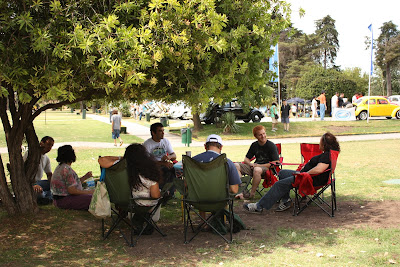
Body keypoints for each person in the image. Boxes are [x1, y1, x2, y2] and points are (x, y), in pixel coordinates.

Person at [243, 132, 340, 213]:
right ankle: (286, 200)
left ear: (325, 144)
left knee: (278, 184)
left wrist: (304, 174)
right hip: (307, 176)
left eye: (320, 142)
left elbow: (319, 169)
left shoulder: (327, 156)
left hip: (308, 179)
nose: (319, 144)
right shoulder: (328, 154)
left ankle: (259, 206)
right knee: (282, 173)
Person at [99, 144, 162, 234]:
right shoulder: (148, 174)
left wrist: (122, 159)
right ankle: (144, 219)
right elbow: (155, 196)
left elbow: (101, 160)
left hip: (122, 201)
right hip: (142, 204)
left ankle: (138, 219)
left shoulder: (122, 168)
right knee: (160, 195)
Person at [234, 125, 280, 199]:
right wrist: (250, 164)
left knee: (257, 170)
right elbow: (246, 159)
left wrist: (258, 166)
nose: (263, 136)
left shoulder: (271, 145)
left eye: (264, 133)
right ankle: (242, 191)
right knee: (236, 165)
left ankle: (252, 194)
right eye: (260, 135)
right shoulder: (254, 145)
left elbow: (276, 162)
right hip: (255, 167)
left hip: (268, 170)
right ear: (256, 136)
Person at [51, 145, 94, 210]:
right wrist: (89, 192)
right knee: (94, 198)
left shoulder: (60, 167)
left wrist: (85, 177)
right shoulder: (66, 169)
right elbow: (72, 191)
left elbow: (71, 184)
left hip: (58, 200)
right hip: (64, 200)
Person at [143, 123, 176, 193]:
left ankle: (169, 192)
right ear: (153, 133)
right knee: (165, 170)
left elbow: (174, 155)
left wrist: (169, 157)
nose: (163, 133)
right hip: (153, 167)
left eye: (163, 130)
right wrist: (162, 163)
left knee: (173, 170)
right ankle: (161, 192)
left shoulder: (165, 141)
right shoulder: (147, 144)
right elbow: (146, 162)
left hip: (164, 165)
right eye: (160, 131)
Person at [23, 136, 54, 205]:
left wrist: (54, 183)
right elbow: (22, 171)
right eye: (48, 144)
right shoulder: (30, 154)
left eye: (51, 145)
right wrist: (33, 185)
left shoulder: (46, 158)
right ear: (41, 143)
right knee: (39, 193)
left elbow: (49, 174)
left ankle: (46, 197)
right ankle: (45, 197)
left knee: (56, 186)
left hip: (39, 183)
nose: (50, 147)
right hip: (30, 183)